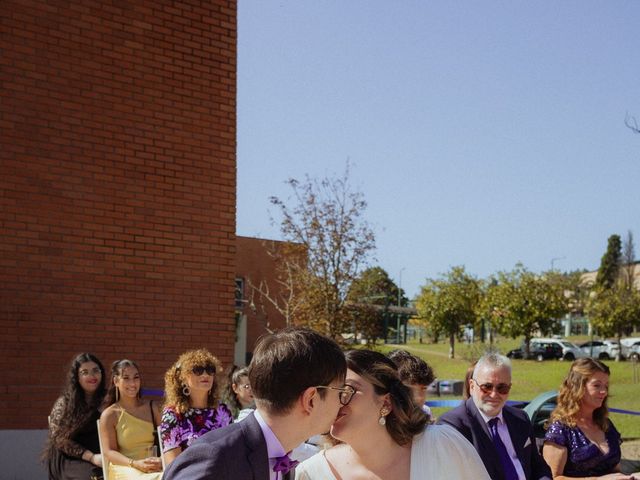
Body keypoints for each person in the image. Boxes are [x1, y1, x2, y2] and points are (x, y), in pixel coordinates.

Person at [163, 326, 348, 480]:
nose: (343, 402)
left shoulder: (280, 454)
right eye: (340, 392)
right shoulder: (214, 459)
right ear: (311, 400)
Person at [296, 349, 491, 480]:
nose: (336, 401)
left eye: (347, 390)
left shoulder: (442, 445)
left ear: (386, 402)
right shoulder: (312, 473)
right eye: (330, 392)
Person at [438, 352, 552, 480]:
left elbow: (539, 467)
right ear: (471, 386)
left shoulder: (520, 419)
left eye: (502, 388)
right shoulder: (453, 426)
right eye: (487, 387)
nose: (494, 394)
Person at [543, 358, 640, 480]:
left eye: (606, 386)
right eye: (597, 385)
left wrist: (630, 477)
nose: (604, 391)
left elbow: (615, 472)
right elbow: (553, 477)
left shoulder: (606, 425)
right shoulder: (560, 429)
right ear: (577, 387)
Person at [160, 348, 233, 466]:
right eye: (198, 370)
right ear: (183, 378)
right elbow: (172, 465)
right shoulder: (172, 414)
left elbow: (232, 452)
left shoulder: (222, 411)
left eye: (210, 370)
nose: (205, 374)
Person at [44, 353, 106, 480]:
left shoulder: (107, 399)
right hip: (70, 456)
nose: (92, 376)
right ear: (77, 377)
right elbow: (59, 440)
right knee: (92, 477)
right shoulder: (65, 403)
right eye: (85, 372)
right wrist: (91, 457)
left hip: (100, 453)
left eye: (95, 370)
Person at [99, 359, 162, 480]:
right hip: (125, 468)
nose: (133, 383)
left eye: (136, 377)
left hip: (152, 466)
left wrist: (160, 460)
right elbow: (109, 452)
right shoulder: (110, 415)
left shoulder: (152, 408)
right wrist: (135, 464)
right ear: (116, 381)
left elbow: (167, 441)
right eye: (126, 378)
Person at [388, 349, 435, 416]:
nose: (419, 398)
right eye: (409, 390)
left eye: (423, 388)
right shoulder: (375, 418)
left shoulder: (426, 412)